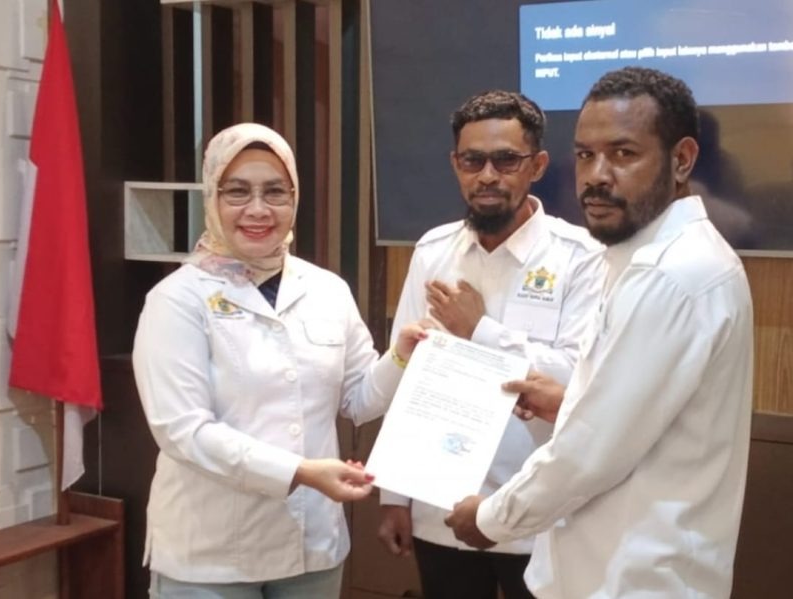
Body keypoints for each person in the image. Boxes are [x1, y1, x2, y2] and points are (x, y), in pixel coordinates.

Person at [446, 67, 754, 598]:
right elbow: (634, 415)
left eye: (623, 153)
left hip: (632, 581)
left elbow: (589, 454)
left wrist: (491, 518)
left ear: (682, 160)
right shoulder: (645, 257)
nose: (596, 175)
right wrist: (570, 403)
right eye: (586, 155)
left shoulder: (669, 274)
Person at [132, 123, 426, 598]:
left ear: (294, 198)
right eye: (237, 192)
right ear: (212, 197)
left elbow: (357, 400)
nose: (258, 209)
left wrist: (401, 357)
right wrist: (301, 472)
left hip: (312, 546)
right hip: (210, 555)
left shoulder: (327, 289)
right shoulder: (177, 299)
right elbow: (184, 430)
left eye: (275, 192)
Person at [376, 90, 604, 599]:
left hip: (538, 516)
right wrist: (394, 496)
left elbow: (577, 379)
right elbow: (406, 374)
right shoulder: (433, 251)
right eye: (472, 160)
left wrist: (480, 330)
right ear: (455, 164)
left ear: (537, 165)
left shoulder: (580, 257)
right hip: (438, 506)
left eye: (506, 160)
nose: (487, 176)